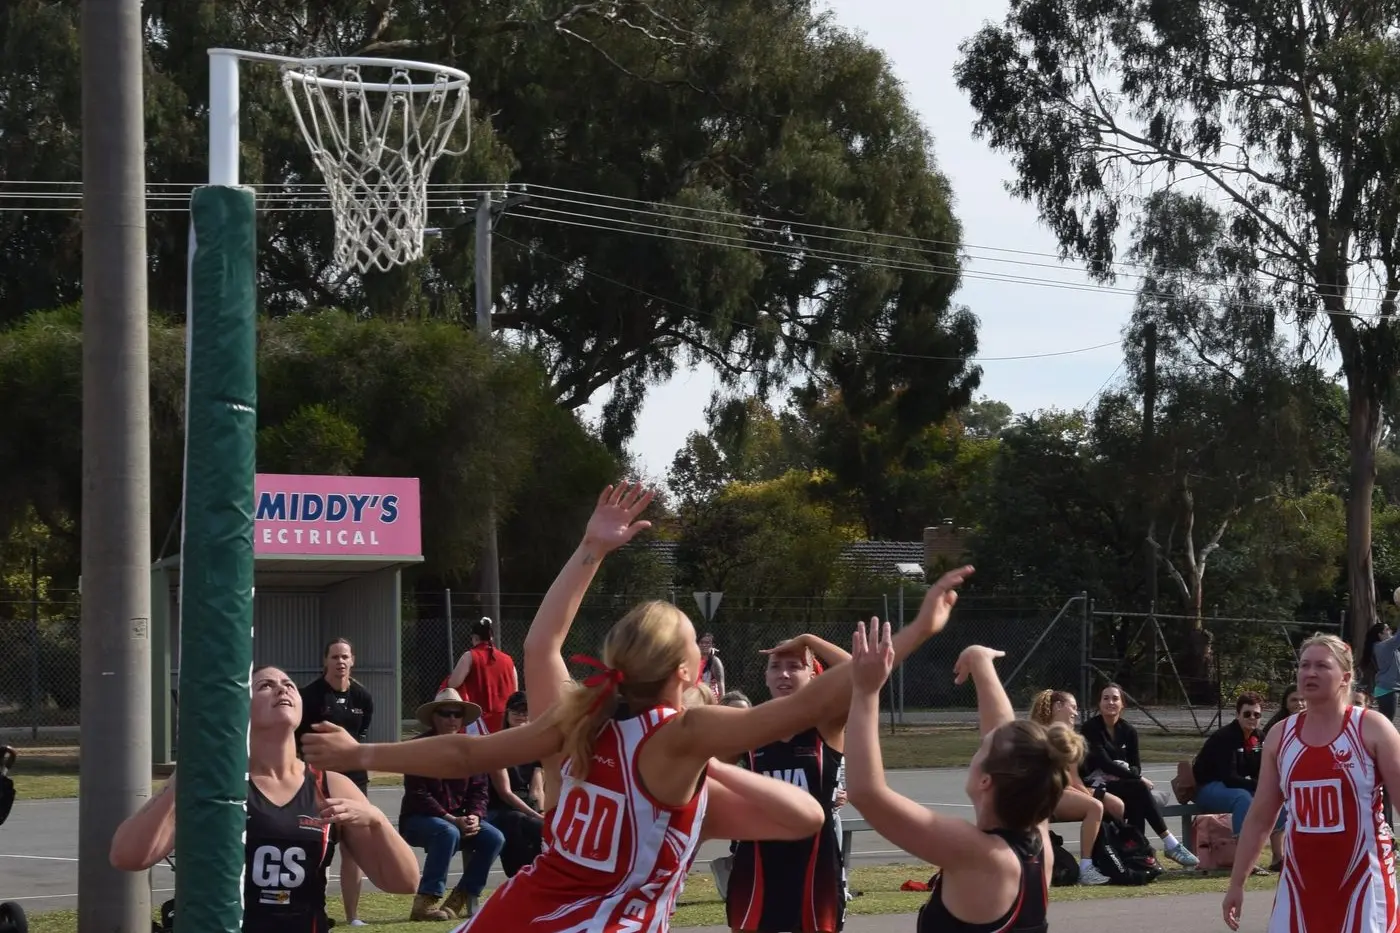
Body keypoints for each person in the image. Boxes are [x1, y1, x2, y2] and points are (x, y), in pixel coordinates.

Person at [301, 482, 975, 933]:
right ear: (688, 674)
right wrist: (909, 637)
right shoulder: (680, 737)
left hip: (515, 915)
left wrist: (591, 547)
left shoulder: (578, 719)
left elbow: (477, 732)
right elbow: (786, 718)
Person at [110, 666, 419, 933]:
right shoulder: (213, 783)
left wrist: (378, 821)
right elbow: (128, 856)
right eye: (265, 685)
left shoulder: (331, 785)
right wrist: (185, 777)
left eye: (288, 685)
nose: (282, 688)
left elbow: (404, 883)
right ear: (239, 708)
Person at [846, 623, 1080, 933]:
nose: (983, 740)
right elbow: (1003, 734)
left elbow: (866, 793)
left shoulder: (978, 854)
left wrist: (865, 690)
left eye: (982, 748)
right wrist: (981, 662)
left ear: (986, 781)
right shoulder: (1039, 844)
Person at [1224, 633, 1400, 933]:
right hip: (1300, 886)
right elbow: (1260, 817)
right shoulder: (1281, 736)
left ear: (1344, 677)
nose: (1310, 673)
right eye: (1304, 665)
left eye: (1321, 666)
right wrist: (1236, 883)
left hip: (1364, 884)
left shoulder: (1371, 728)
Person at [727, 632, 852, 933]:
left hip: (814, 864)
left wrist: (809, 639)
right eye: (775, 666)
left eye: (794, 665)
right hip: (758, 863)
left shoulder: (826, 724)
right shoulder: (748, 727)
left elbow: (857, 671)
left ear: (812, 674)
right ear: (766, 677)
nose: (783, 674)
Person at [399, 688, 504, 921]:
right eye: (446, 713)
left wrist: (475, 815)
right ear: (435, 717)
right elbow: (418, 795)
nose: (452, 719)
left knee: (494, 837)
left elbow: (480, 791)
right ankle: (425, 901)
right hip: (419, 820)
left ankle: (461, 897)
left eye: (457, 714)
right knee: (447, 832)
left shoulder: (472, 749)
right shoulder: (418, 748)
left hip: (458, 818)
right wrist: (451, 818)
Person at [295, 638, 375, 926]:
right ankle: (314, 909)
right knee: (319, 848)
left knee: (353, 849)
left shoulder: (363, 698)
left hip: (354, 782)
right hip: (318, 781)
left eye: (345, 657)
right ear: (325, 661)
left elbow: (360, 739)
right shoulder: (310, 697)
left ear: (352, 660)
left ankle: (353, 916)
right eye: (334, 657)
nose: (340, 662)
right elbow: (298, 742)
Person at [1079, 683, 1199, 868]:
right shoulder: (1090, 729)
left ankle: (1138, 856)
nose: (1110, 702)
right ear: (1099, 703)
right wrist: (1136, 777)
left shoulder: (1129, 731)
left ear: (1122, 704)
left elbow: (1136, 766)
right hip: (1094, 785)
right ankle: (1168, 844)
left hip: (1123, 785)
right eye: (1106, 698)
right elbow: (1104, 763)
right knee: (1139, 789)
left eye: (1115, 698)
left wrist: (1133, 774)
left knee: (1137, 799)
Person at [1028, 689, 1120, 885]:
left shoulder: (1068, 736)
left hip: (1063, 789)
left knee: (1115, 804)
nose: (1076, 713)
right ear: (1058, 707)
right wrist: (1090, 799)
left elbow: (1074, 778)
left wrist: (1089, 794)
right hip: (1043, 793)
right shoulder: (1036, 734)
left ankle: (1109, 860)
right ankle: (1086, 868)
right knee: (1095, 807)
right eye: (1073, 707)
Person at [1190, 691, 1282, 873]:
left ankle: (1278, 857)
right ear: (1238, 715)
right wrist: (1259, 787)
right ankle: (1244, 859)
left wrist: (1269, 788)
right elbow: (1229, 778)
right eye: (1247, 714)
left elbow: (1260, 771)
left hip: (1234, 786)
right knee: (1243, 798)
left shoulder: (1259, 738)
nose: (1252, 718)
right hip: (1207, 787)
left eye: (1257, 715)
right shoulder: (1226, 737)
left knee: (1276, 796)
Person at [485, 690, 546, 877]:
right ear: (507, 714)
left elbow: (537, 790)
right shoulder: (497, 745)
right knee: (516, 821)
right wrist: (533, 814)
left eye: (525, 711)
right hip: (498, 808)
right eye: (516, 711)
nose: (521, 715)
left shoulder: (535, 746)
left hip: (524, 806)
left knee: (542, 826)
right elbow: (505, 793)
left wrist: (542, 814)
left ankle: (541, 875)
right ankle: (518, 876)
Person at [444, 617, 519, 733]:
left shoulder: (470, 656)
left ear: (475, 638)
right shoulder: (509, 660)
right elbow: (515, 690)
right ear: (492, 638)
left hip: (480, 723)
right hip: (505, 722)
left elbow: (453, 683)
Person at [1361, 621, 1400, 721]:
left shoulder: (1383, 647)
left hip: (1386, 689)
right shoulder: (1384, 646)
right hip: (1388, 690)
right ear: (1380, 635)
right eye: (1387, 629)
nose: (1390, 631)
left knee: (1386, 723)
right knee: (1387, 724)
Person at [699, 632, 726, 701]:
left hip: (712, 699)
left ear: (712, 645)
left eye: (707, 643)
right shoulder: (694, 661)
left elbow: (721, 684)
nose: (704, 645)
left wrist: (722, 703)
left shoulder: (715, 661)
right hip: (697, 698)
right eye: (701, 642)